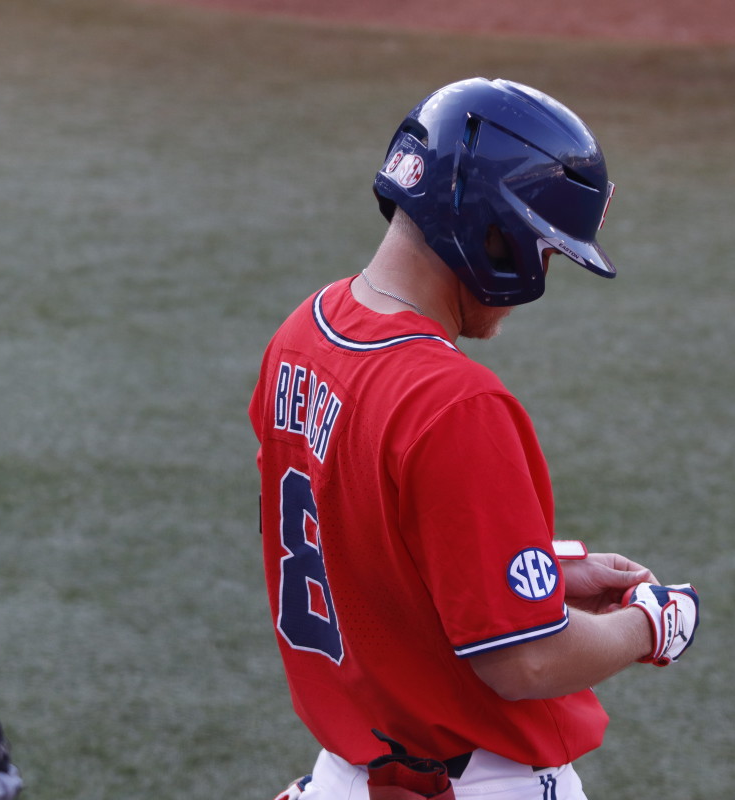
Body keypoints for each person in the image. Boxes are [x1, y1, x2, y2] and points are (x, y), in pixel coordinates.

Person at [250, 77, 700, 800]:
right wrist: (653, 624)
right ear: (493, 229)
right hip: (476, 782)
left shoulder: (302, 336)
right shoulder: (452, 401)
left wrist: (541, 571)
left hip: (345, 777)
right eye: (544, 247)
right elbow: (526, 662)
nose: (543, 268)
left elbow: (364, 541)